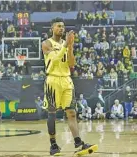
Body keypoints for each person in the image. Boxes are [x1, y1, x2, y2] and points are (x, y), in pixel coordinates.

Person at [42, 17, 98, 156]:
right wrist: (66, 45)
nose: (61, 28)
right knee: (52, 112)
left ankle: (78, 143)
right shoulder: (46, 43)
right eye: (58, 26)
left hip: (67, 79)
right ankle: (53, 145)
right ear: (52, 28)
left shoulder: (66, 44)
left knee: (72, 113)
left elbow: (71, 64)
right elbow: (54, 60)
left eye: (63, 26)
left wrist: (70, 47)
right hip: (52, 80)